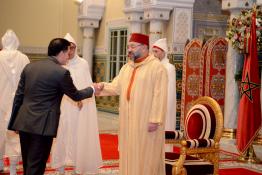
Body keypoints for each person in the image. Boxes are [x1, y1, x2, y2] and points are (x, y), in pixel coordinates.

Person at [7, 38, 99, 175]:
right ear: (61, 53)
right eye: (67, 53)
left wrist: (14, 123)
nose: (68, 57)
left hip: (24, 122)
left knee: (28, 163)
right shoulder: (61, 73)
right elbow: (76, 95)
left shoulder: (30, 67)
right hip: (43, 126)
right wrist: (92, 89)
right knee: (36, 166)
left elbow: (18, 97)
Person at [97, 33, 168, 175]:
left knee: (146, 154)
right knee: (129, 151)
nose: (129, 49)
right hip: (128, 121)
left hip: (147, 122)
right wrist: (100, 87)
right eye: (128, 46)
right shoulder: (127, 68)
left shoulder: (156, 68)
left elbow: (160, 95)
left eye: (132, 46)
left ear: (144, 47)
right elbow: (116, 86)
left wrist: (155, 119)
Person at [51, 33, 102, 174]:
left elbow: (86, 84)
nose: (71, 51)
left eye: (73, 48)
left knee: (77, 136)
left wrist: (81, 100)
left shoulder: (83, 64)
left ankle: (77, 167)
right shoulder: (59, 65)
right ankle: (60, 167)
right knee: (61, 135)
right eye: (68, 48)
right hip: (61, 107)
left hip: (79, 108)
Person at [0, 30, 30, 175]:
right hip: (18, 102)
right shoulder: (24, 58)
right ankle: (13, 168)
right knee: (15, 135)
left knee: (0, 133)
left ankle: (0, 163)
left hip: (0, 101)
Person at [152, 38, 177, 152]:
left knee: (164, 130)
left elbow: (170, 91)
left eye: (156, 51)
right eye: (153, 51)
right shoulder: (153, 67)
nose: (154, 54)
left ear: (163, 52)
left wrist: (165, 108)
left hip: (165, 106)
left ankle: (166, 155)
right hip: (154, 105)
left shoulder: (169, 68)